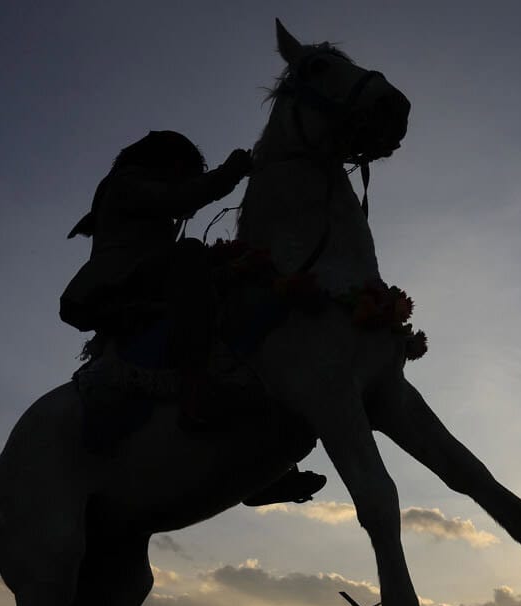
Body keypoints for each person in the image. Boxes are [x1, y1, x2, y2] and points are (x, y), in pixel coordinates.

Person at [62, 130, 325, 504]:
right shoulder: (125, 184)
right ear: (167, 163)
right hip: (120, 287)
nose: (186, 179)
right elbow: (180, 199)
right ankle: (195, 387)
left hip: (148, 280)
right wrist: (232, 170)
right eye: (184, 171)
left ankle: (263, 466)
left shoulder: (138, 197)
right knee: (189, 252)